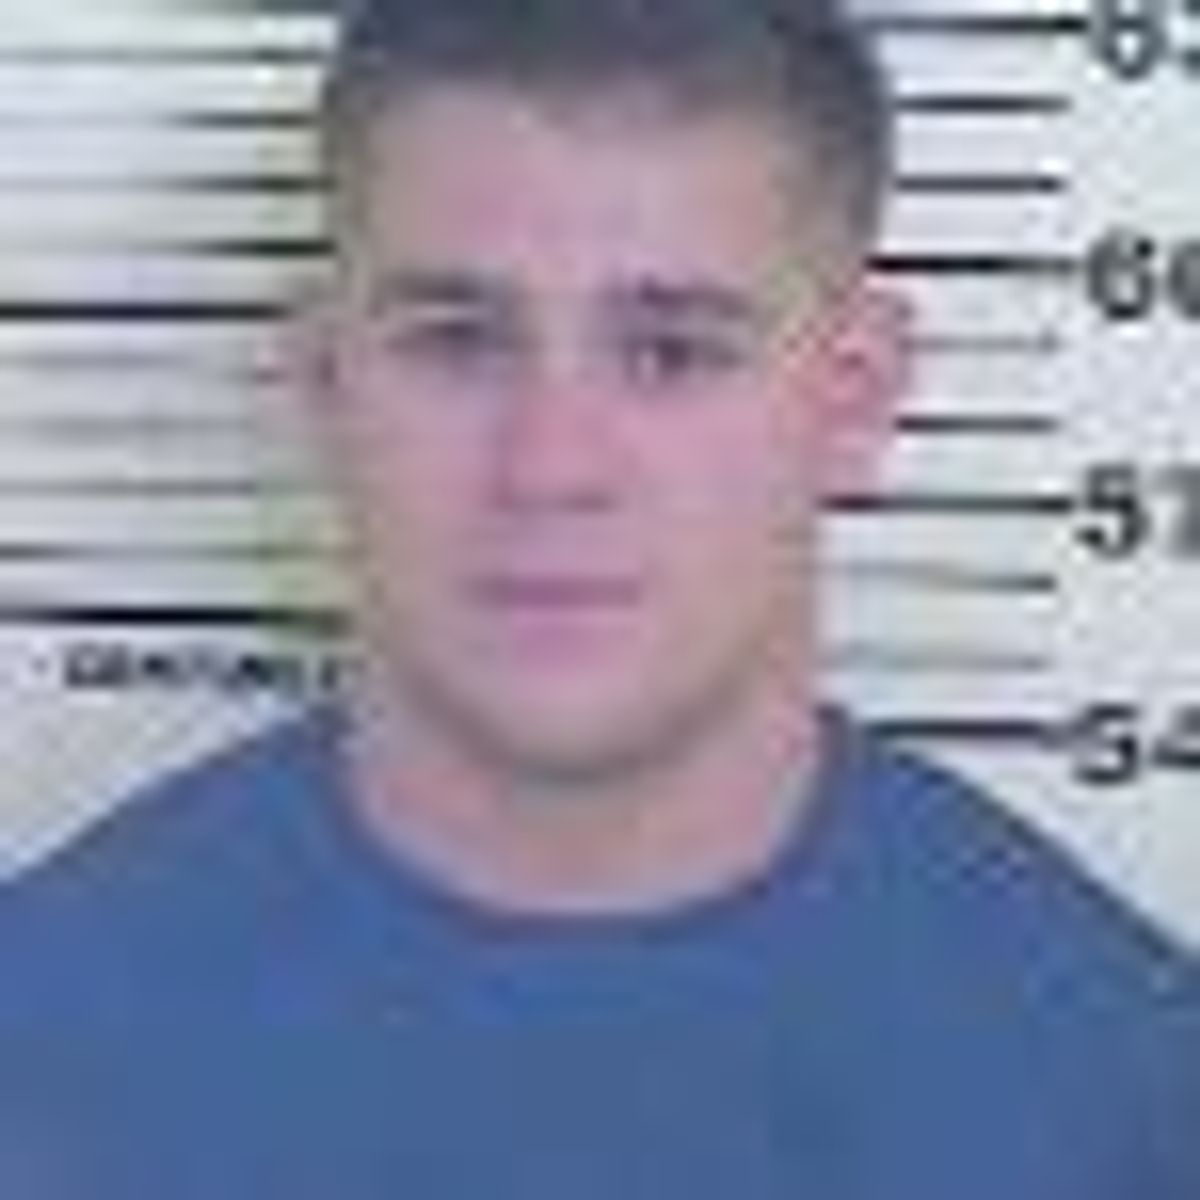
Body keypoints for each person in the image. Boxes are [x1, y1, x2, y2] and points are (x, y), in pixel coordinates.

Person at [1, 0, 1196, 1196]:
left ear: (854, 395)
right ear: (325, 382)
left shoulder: (1132, 1095)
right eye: (457, 342)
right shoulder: (39, 1038)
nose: (552, 468)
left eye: (672, 353)